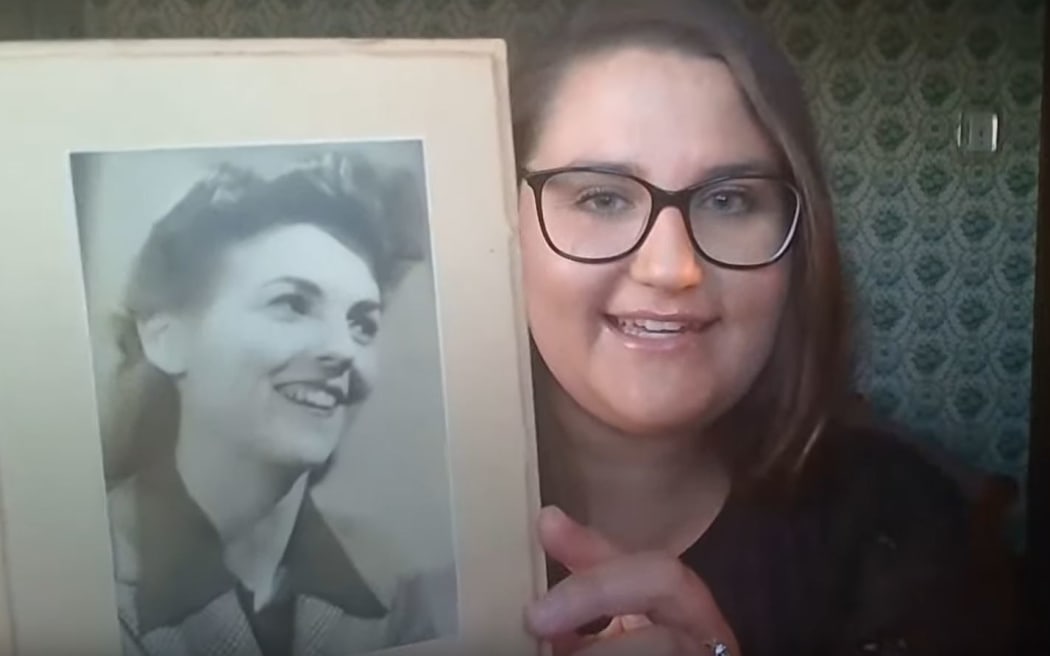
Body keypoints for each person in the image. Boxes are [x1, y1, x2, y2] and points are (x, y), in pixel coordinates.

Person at [510, 1, 1014, 654]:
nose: (672, 267)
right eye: (601, 197)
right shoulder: (380, 536)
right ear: (503, 225)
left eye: (729, 200)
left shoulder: (903, 528)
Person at [99, 152, 439, 656]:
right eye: (292, 304)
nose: (343, 349)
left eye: (362, 323)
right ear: (165, 337)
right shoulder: (71, 574)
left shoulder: (397, 587)